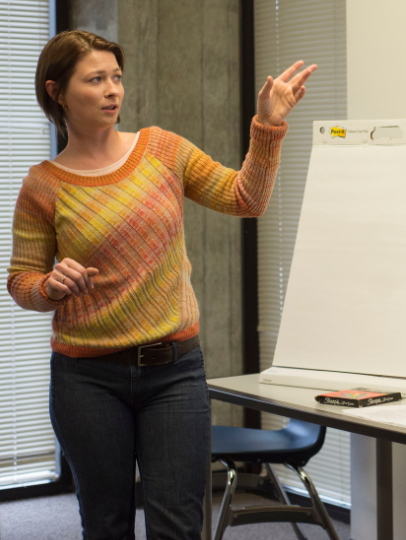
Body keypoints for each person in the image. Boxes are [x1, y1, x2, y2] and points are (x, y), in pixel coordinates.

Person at [6, 29, 316, 539]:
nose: (113, 90)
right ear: (56, 91)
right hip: (87, 380)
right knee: (106, 526)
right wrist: (51, 287)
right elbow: (22, 282)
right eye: (95, 80)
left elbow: (246, 199)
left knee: (178, 528)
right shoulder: (44, 185)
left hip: (174, 374)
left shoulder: (162, 150)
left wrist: (268, 125)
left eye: (117, 77)